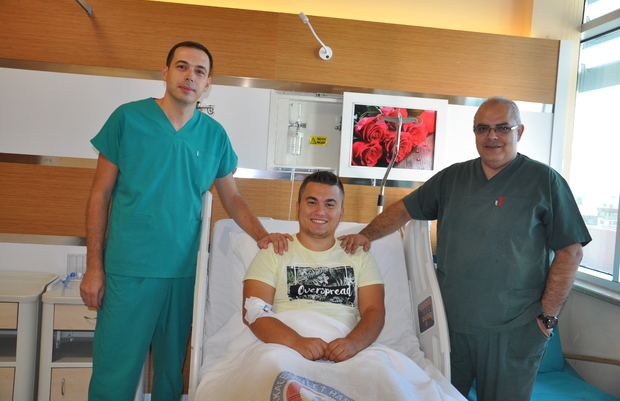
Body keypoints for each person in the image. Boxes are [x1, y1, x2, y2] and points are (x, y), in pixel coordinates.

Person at [339, 96, 592, 401]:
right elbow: (404, 209)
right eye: (483, 128)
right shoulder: (452, 178)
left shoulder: (544, 182)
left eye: (502, 128)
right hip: (450, 327)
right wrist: (366, 234)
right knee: (443, 396)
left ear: (520, 131)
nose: (492, 136)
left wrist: (547, 318)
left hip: (514, 329)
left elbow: (571, 252)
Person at [80, 41, 291, 401]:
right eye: (182, 66)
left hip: (184, 273)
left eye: (199, 71)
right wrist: (93, 267)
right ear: (165, 72)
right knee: (113, 374)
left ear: (207, 84)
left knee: (171, 377)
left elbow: (232, 198)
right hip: (128, 269)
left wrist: (262, 235)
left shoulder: (214, 135)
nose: (189, 76)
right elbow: (99, 195)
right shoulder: (127, 119)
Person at [242, 171, 385, 363]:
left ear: (341, 213)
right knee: (270, 369)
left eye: (329, 204)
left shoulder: (359, 255)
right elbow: (254, 311)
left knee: (380, 373)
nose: (320, 211)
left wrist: (352, 343)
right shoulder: (274, 251)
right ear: (298, 207)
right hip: (284, 348)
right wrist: (296, 342)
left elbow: (374, 311)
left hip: (346, 351)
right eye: (312, 202)